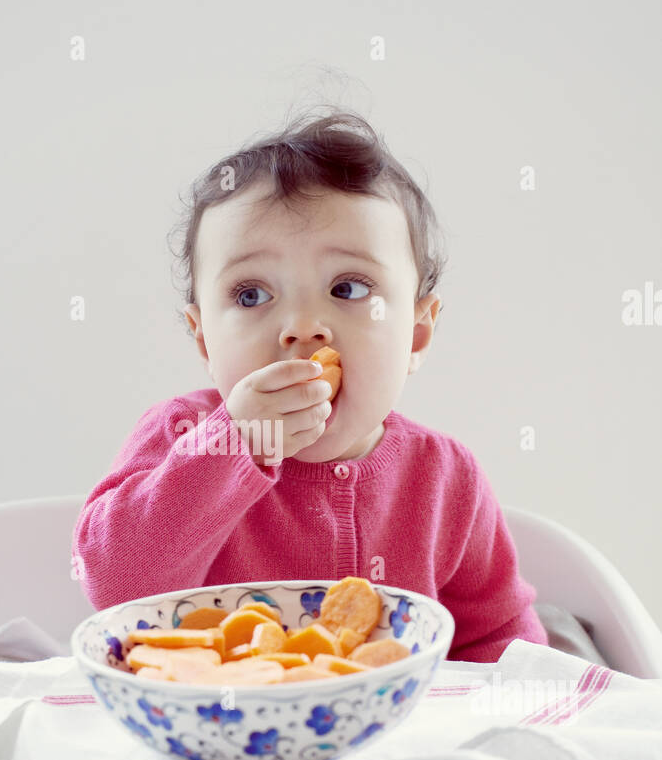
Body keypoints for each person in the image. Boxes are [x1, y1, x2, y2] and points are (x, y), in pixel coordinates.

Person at [72, 108, 549, 663]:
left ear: (416, 335)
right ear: (204, 342)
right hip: (218, 732)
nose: (301, 326)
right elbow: (113, 585)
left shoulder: (446, 477)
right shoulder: (182, 434)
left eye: (347, 287)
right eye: (251, 295)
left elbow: (499, 638)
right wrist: (234, 445)